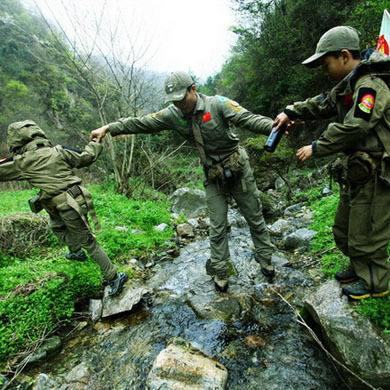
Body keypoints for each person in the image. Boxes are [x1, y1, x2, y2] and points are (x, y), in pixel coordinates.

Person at [90, 71, 276, 292]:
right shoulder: (172, 114)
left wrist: (276, 125)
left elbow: (249, 119)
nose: (179, 104)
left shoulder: (217, 104)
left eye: (182, 98)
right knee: (217, 227)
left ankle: (266, 261)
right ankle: (221, 272)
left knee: (254, 217)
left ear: (193, 89)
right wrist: (109, 128)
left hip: (238, 169)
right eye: (174, 100)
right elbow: (141, 123)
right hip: (212, 175)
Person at [274, 26, 390, 300]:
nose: (325, 71)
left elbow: (356, 126)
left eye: (326, 64)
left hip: (378, 172)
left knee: (367, 234)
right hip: (358, 171)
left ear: (345, 56)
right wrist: (290, 111)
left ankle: (376, 283)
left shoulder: (370, 85)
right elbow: (324, 103)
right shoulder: (349, 84)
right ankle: (359, 267)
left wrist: (317, 147)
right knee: (343, 229)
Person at [0, 120, 128, 296]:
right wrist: (95, 143)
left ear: (16, 142)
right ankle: (76, 252)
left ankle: (114, 276)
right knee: (56, 226)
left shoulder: (21, 162)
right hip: (70, 200)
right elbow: (86, 157)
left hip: (68, 204)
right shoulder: (59, 151)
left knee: (88, 242)